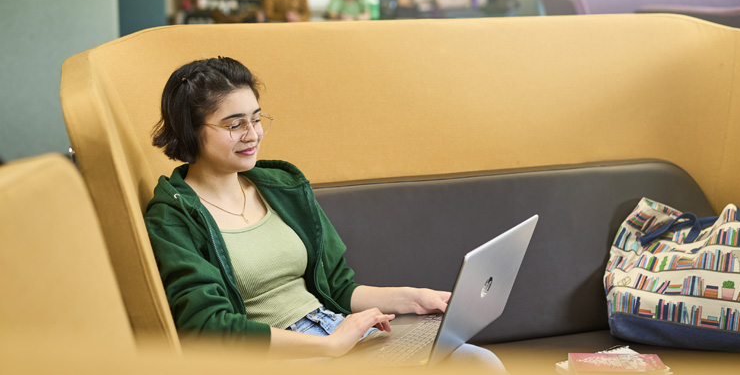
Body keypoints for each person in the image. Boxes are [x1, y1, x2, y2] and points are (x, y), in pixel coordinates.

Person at [145, 57, 506, 370]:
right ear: (190, 132)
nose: (252, 134)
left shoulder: (281, 186)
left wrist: (414, 298)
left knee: (478, 362)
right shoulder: (173, 215)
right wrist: (330, 347)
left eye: (256, 119)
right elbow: (208, 327)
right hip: (287, 355)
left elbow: (337, 287)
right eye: (235, 124)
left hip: (336, 331)